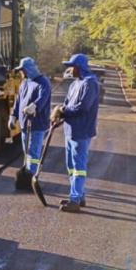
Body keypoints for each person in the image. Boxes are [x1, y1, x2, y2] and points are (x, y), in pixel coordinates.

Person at [51, 53, 99, 213]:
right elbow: (66, 103)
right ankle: (78, 195)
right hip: (70, 130)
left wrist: (63, 111)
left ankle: (75, 200)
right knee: (71, 166)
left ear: (79, 67)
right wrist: (58, 115)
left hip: (82, 130)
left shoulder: (90, 83)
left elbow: (83, 107)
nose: (70, 70)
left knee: (79, 167)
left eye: (72, 67)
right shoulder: (74, 84)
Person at [9, 56, 52, 190]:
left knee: (33, 153)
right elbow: (18, 100)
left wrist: (34, 106)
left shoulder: (43, 83)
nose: (21, 72)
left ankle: (31, 178)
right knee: (26, 151)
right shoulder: (25, 83)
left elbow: (43, 99)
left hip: (37, 124)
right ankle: (27, 174)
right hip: (24, 124)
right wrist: (13, 116)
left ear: (29, 69)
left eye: (23, 70)